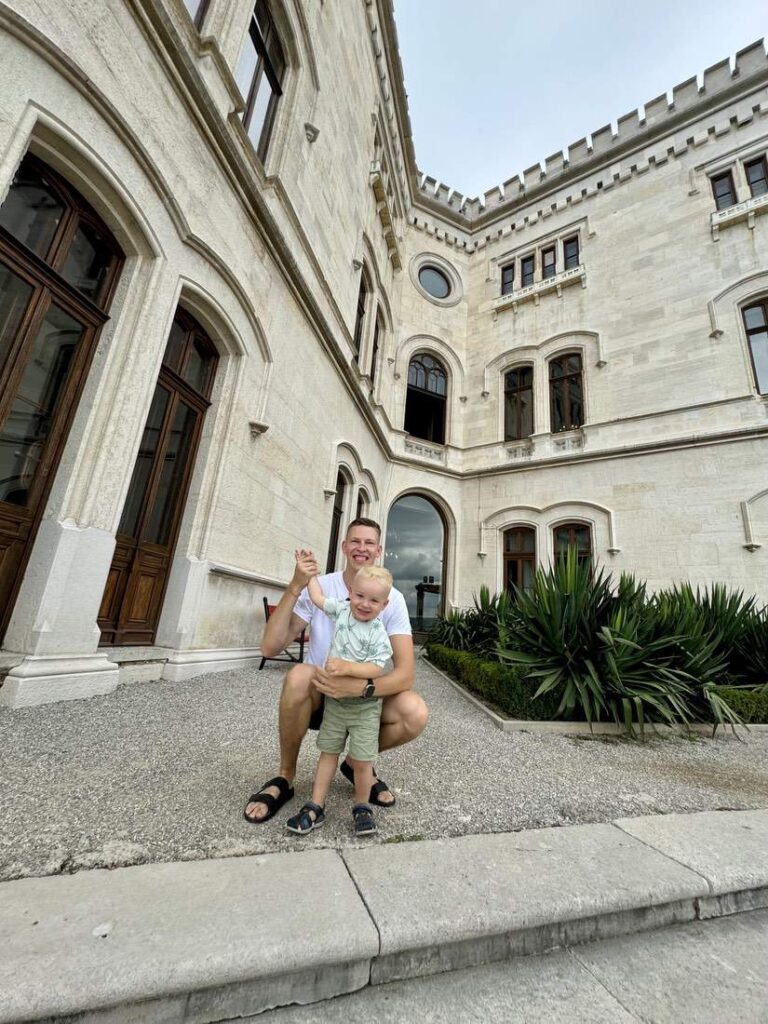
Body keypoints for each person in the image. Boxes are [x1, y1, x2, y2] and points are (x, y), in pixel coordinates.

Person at [244, 517, 428, 824]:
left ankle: (356, 763)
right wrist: (296, 584)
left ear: (378, 550)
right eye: (355, 541)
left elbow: (405, 674)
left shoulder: (390, 599)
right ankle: (285, 777)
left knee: (415, 712)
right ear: (344, 546)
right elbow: (270, 648)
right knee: (299, 675)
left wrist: (360, 688)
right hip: (322, 696)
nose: (361, 548)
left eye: (369, 543)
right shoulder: (326, 588)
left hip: (363, 701)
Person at [285, 561, 394, 836]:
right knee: (328, 753)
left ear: (384, 604)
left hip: (364, 708)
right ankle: (316, 805)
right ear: (350, 594)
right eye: (359, 596)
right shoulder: (342, 610)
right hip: (335, 704)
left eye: (374, 600)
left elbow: (377, 668)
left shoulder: (378, 632)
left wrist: (347, 669)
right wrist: (309, 576)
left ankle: (361, 806)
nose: (364, 604)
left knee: (362, 761)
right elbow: (319, 598)